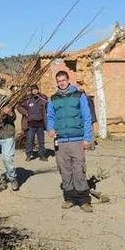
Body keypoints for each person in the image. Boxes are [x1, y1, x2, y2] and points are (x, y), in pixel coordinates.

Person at [46, 71, 94, 212]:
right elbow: (51, 117)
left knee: (79, 170)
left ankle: (84, 200)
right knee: (65, 170)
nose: (61, 83)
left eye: (63, 80)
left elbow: (87, 117)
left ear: (68, 80)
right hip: (60, 141)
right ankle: (70, 198)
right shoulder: (53, 99)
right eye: (59, 81)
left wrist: (87, 138)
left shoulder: (79, 95)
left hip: (77, 139)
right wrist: (50, 129)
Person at [17, 84, 48, 161]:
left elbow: (47, 106)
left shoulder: (42, 98)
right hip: (30, 123)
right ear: (31, 91)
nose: (35, 91)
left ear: (38, 90)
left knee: (41, 140)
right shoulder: (28, 99)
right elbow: (19, 106)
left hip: (40, 122)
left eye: (36, 89)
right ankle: (29, 154)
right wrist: (26, 113)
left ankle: (42, 155)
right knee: (30, 140)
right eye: (33, 90)